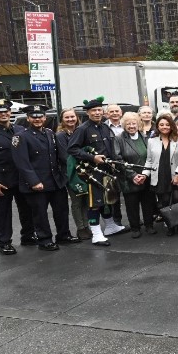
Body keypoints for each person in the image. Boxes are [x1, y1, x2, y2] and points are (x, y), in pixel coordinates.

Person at [12, 105, 80, 251]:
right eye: (34, 117)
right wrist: (34, 181)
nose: (37, 119)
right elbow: (22, 162)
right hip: (37, 183)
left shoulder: (49, 133)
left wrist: (64, 176)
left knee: (61, 210)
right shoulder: (21, 137)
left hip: (55, 180)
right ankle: (45, 240)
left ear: (45, 118)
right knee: (40, 214)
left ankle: (63, 235)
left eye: (40, 117)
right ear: (28, 118)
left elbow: (58, 156)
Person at [0, 99, 36, 255]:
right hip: (2, 181)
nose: (3, 114)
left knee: (27, 209)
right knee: (4, 213)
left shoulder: (20, 129)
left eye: (6, 111)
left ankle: (28, 236)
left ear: (10, 112)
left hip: (22, 178)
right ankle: (4, 242)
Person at [67, 96, 127, 245]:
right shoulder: (82, 129)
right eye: (94, 110)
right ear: (88, 112)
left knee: (107, 200)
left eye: (99, 110)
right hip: (91, 171)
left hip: (106, 169)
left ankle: (110, 226)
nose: (97, 113)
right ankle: (96, 234)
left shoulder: (104, 127)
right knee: (94, 203)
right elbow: (72, 149)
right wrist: (92, 158)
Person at [143, 115, 178, 236]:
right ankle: (170, 226)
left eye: (167, 124)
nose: (165, 127)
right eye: (162, 124)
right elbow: (149, 160)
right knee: (164, 202)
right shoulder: (151, 141)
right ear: (157, 126)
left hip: (176, 176)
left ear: (172, 126)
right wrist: (145, 174)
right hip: (160, 177)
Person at [114, 112, 157, 238]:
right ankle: (135, 227)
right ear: (124, 125)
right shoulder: (118, 139)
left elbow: (150, 156)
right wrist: (133, 175)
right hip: (128, 178)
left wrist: (144, 175)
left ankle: (149, 225)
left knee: (148, 203)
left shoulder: (145, 137)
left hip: (146, 176)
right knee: (131, 205)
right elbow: (118, 159)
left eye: (134, 123)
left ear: (138, 124)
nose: (131, 126)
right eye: (128, 124)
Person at [55, 108, 90, 240]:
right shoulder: (61, 136)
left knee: (86, 201)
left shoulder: (80, 131)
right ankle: (80, 228)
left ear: (77, 118)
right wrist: (84, 160)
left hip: (85, 171)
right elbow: (65, 157)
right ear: (62, 120)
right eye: (67, 117)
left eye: (72, 117)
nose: (70, 119)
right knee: (77, 201)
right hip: (71, 173)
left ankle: (86, 225)